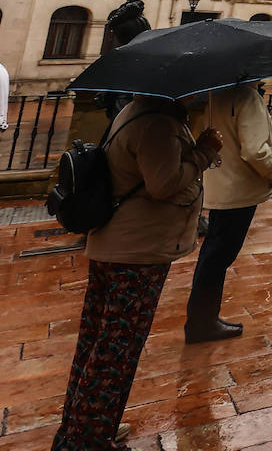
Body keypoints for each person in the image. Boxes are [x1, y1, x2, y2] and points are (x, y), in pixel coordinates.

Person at [50, 96, 222, 451]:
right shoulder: (158, 122)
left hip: (119, 244)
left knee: (98, 341)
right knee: (116, 349)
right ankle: (89, 440)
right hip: (137, 252)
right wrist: (204, 152)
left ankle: (83, 426)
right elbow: (163, 184)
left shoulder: (139, 109)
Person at [185, 84, 272, 342]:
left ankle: (202, 318)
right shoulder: (247, 96)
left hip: (219, 185)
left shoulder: (218, 93)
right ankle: (202, 322)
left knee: (213, 254)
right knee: (219, 256)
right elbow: (254, 150)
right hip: (240, 189)